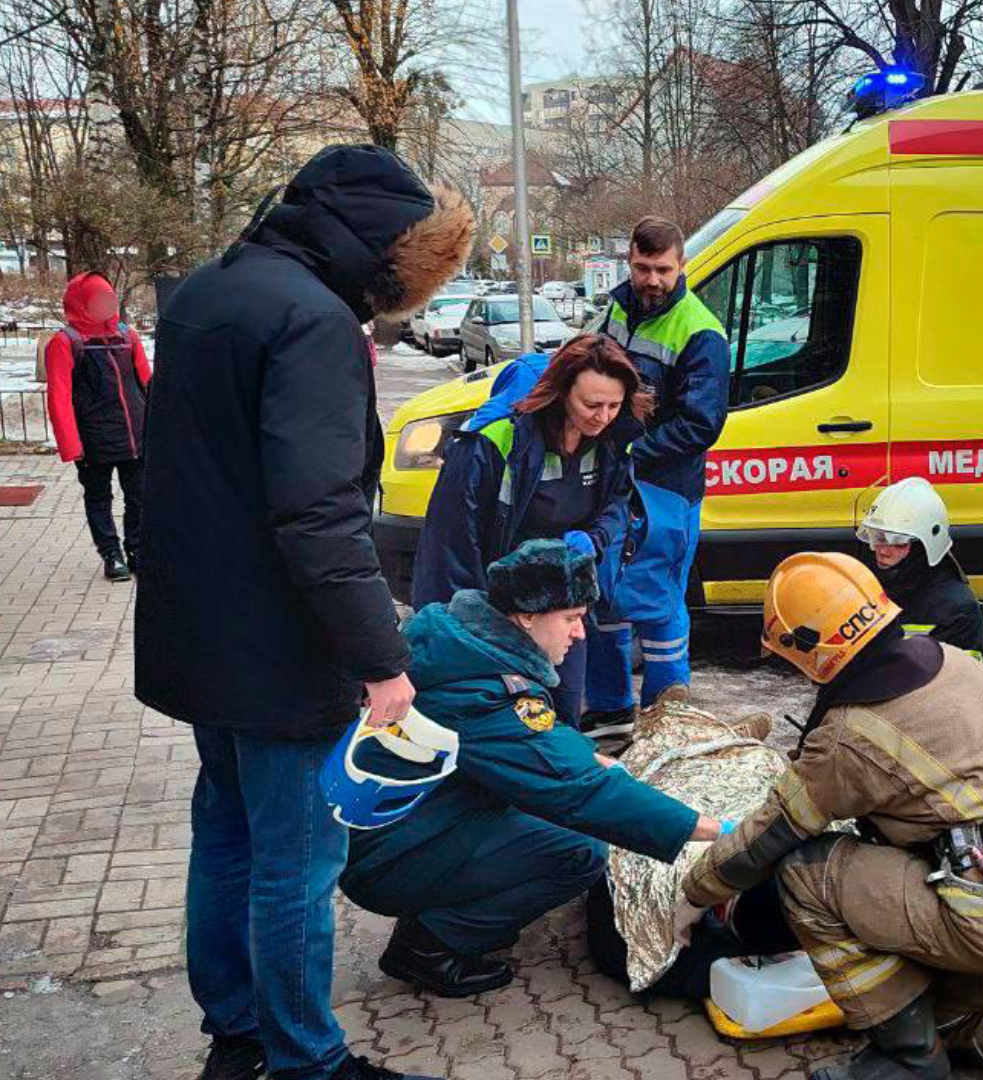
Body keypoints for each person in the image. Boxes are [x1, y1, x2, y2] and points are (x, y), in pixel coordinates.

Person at [137, 145, 472, 1080]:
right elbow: (320, 515)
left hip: (205, 633)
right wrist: (381, 661)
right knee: (296, 861)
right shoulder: (314, 321)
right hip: (283, 643)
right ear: (379, 242)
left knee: (230, 834)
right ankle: (306, 1060)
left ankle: (238, 1034)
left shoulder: (210, 292)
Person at [674, 552, 983, 1080]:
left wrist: (693, 894)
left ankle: (908, 1061)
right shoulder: (953, 661)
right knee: (930, 1011)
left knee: (805, 872)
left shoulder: (850, 734)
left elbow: (767, 836)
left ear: (808, 649)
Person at [340, 539, 726, 998]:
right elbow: (577, 789)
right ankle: (430, 946)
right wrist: (711, 829)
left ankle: (441, 910)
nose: (580, 634)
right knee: (579, 850)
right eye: (570, 619)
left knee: (561, 812)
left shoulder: (467, 644)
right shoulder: (481, 690)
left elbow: (544, 749)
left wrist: (593, 758)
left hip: (402, 830)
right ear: (526, 616)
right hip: (388, 858)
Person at [412, 333, 644, 729]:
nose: (602, 417)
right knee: (503, 721)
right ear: (561, 393)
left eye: (613, 405)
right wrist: (464, 635)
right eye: (590, 404)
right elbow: (451, 546)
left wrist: (596, 538)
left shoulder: (611, 438)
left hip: (562, 603)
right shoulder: (493, 440)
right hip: (494, 604)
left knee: (562, 714)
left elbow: (618, 504)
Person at [580, 216, 730, 734]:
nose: (652, 280)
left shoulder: (700, 331)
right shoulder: (620, 306)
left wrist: (629, 451)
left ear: (682, 265)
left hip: (666, 488)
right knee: (606, 596)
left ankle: (670, 721)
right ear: (629, 262)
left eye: (663, 269)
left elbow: (700, 425)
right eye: (643, 268)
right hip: (618, 480)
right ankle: (611, 712)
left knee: (659, 605)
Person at [44, 271, 150, 581]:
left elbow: (148, 383)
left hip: (135, 436)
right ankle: (111, 553)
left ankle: (136, 549)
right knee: (99, 497)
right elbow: (59, 398)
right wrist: (71, 444)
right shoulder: (65, 343)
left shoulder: (127, 336)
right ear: (81, 303)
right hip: (94, 440)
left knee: (140, 496)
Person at [856, 476, 983, 656]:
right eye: (877, 537)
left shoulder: (957, 610)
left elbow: (962, 679)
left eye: (898, 541)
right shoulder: (862, 588)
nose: (883, 550)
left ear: (923, 547)